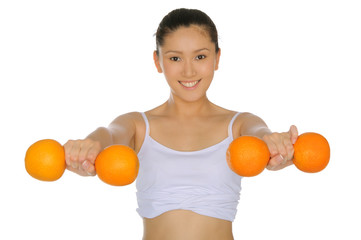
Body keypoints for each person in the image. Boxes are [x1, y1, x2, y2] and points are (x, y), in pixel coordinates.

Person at [64, 8, 298, 240]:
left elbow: (259, 134)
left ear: (217, 58)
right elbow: (110, 134)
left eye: (200, 56)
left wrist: (274, 143)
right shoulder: (138, 124)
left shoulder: (239, 124)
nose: (188, 70)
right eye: (175, 58)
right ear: (158, 61)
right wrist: (90, 144)